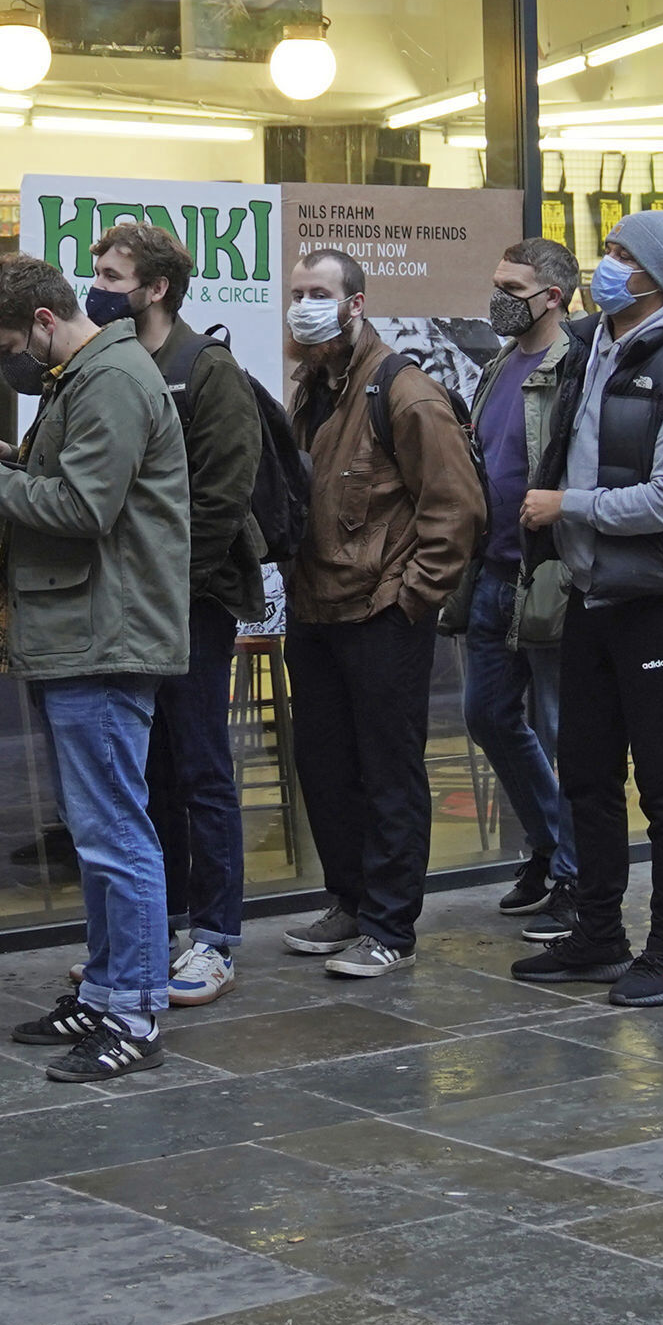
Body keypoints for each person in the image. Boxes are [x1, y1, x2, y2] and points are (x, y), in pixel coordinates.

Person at [0, 252, 192, 1079]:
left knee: (116, 831)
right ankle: (106, 988)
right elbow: (76, 479)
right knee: (97, 833)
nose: (8, 360)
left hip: (105, 634)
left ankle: (134, 1013)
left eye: (12, 342)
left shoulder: (111, 378)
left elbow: (89, 507)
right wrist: (12, 462)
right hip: (83, 630)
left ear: (46, 322)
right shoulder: (82, 377)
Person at [512, 211, 663, 1009]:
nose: (604, 266)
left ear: (657, 273)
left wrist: (567, 505)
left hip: (656, 601)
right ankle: (600, 933)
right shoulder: (594, 347)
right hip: (591, 595)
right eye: (606, 252)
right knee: (587, 776)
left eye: (619, 254)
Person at [274, 247, 485, 982]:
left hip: (382, 611)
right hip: (316, 607)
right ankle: (350, 902)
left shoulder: (405, 391)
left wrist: (411, 597)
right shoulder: (312, 389)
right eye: (297, 290)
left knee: (389, 769)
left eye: (319, 291)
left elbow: (456, 507)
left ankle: (392, 925)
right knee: (326, 766)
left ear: (355, 303)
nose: (304, 302)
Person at [96, 219, 262, 1009]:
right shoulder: (116, 364)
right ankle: (152, 931)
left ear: (156, 289)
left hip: (190, 604)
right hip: (133, 601)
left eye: (114, 274)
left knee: (200, 768)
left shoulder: (208, 369)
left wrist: (173, 587)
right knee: (147, 769)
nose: (97, 286)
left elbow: (225, 497)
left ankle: (216, 937)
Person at [465, 238, 584, 937]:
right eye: (496, 281)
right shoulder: (498, 366)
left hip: (549, 575)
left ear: (552, 296)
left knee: (564, 726)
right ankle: (547, 842)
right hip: (492, 570)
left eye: (512, 286)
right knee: (487, 715)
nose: (498, 296)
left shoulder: (576, 369)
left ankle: (574, 874)